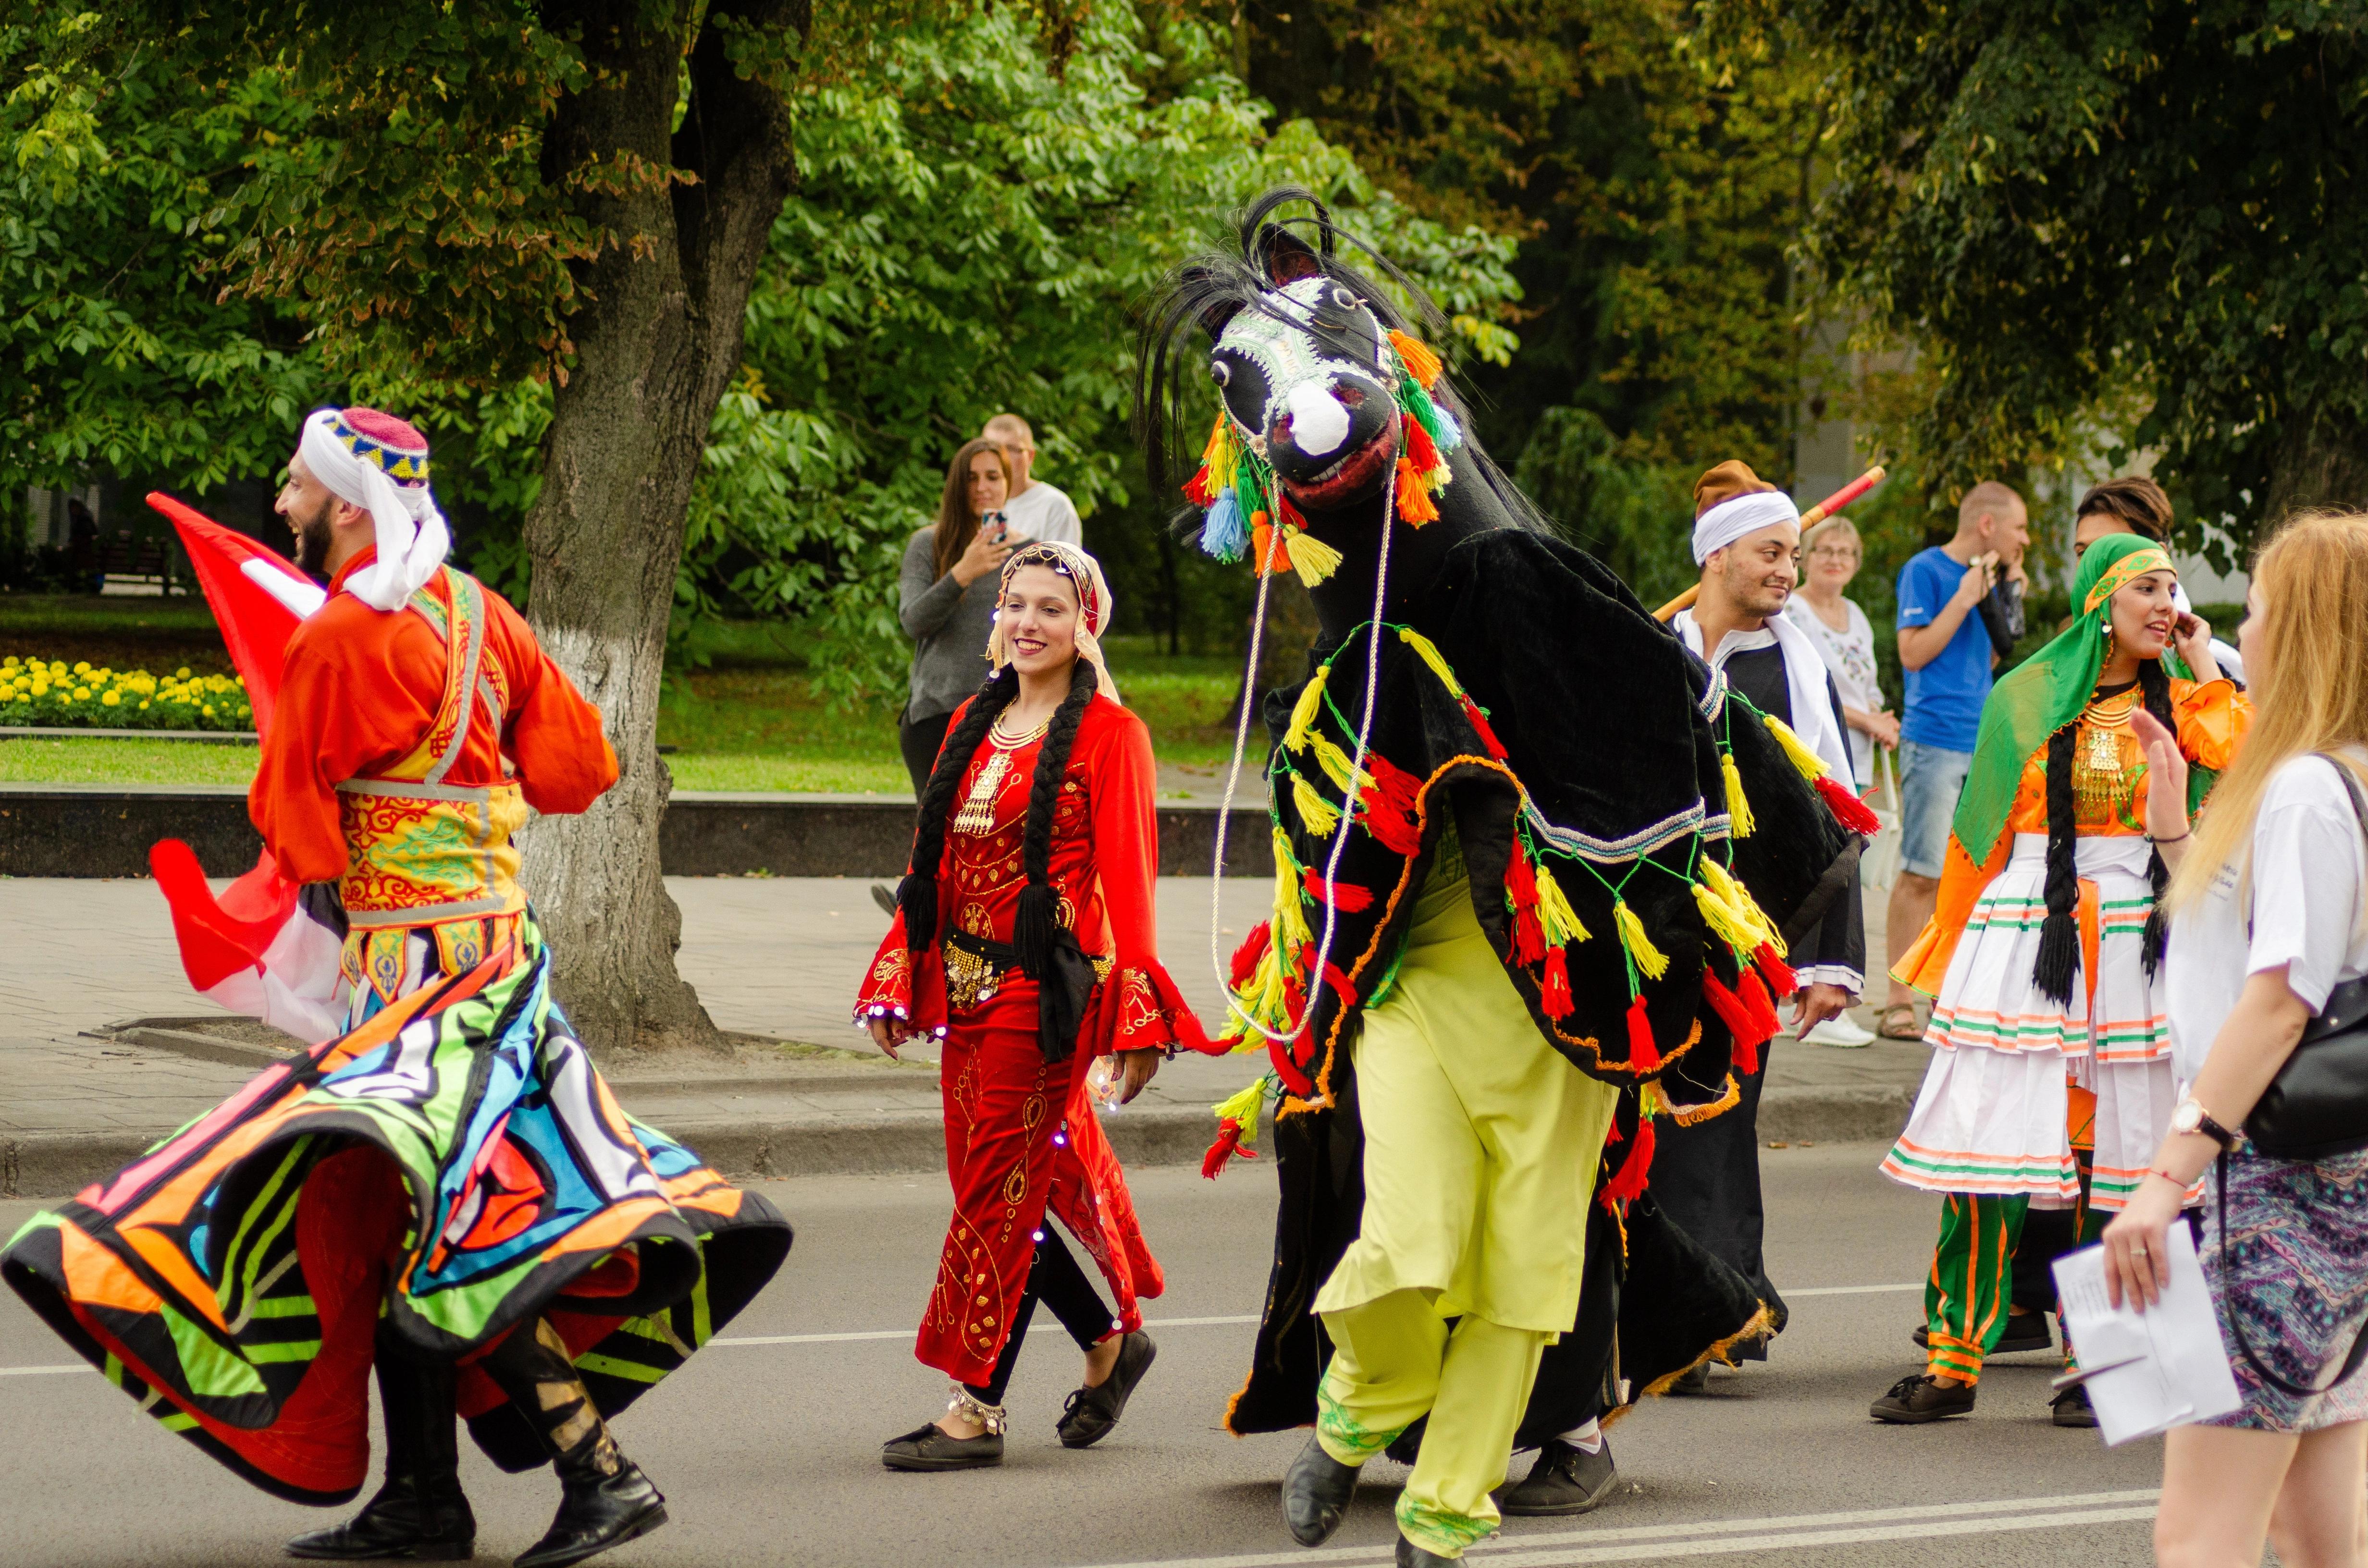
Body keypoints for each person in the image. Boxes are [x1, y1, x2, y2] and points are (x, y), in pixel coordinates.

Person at [1139, 191, 1859, 1566]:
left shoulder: (1519, 582)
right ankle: (1358, 1412)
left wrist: (1771, 915)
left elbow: (1684, 726)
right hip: (1415, 989)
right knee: (1400, 1225)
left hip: (1568, 1000)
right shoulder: (1348, 657)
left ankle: (1448, 1505)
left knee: (1529, 1264)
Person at [0, 407, 791, 1568]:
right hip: (498, 963)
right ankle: (426, 1499)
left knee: (455, 1232)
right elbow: (582, 771)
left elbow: (300, 835)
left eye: (295, 486)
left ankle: (603, 1477)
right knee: (394, 1217)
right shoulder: (481, 612)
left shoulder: (341, 641)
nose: (281, 506)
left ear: (346, 503)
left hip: (416, 984)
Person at [1872, 533, 2249, 1423]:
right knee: (1990, 1146)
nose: (2164, 601)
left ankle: (2108, 1361)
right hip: (2025, 935)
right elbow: (1979, 833)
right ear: (2097, 604)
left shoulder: (2186, 696)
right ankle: (1952, 1357)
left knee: (2118, 1154)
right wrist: (1948, 948)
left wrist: (2199, 653)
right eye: (2146, 587)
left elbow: (2237, 752)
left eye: (2173, 587)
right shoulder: (2025, 694)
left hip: (2138, 940)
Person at [857, 539, 1209, 1470]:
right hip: (965, 996)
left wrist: (1139, 1010)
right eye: (1015, 604)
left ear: (1084, 622)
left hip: (1038, 999)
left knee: (991, 1199)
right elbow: (929, 866)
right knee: (1004, 1193)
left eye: (1050, 608)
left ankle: (974, 1409)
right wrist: (901, 971)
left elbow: (1132, 884)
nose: (1026, 623)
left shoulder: (1111, 736)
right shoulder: (978, 719)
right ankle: (1107, 1342)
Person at [2102, 512, 2368, 1568]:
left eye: (2253, 610)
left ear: (2297, 631)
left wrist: (2165, 1177)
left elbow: (2278, 1000)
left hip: (2264, 1186)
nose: (2232, 629)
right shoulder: (2339, 772)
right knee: (2319, 1534)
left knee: (2200, 1535)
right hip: (2339, 1187)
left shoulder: (2308, 786)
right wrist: (2176, 831)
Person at [1659, 460, 1870, 1372]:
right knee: (1642, 1120)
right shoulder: (1648, 647)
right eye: (1769, 552)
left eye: (1791, 553)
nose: (1786, 570)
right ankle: (1655, 1304)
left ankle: (1713, 1308)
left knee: (1717, 1115)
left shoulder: (1797, 664)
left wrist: (1829, 961)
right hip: (1645, 926)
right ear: (1716, 557)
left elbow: (1835, 811)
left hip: (1748, 931)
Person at [1880, 481, 2032, 1041]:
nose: (2025, 539)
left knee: (1975, 876)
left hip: (1984, 739)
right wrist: (1964, 598)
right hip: (1934, 738)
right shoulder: (1926, 571)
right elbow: (1912, 653)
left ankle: (1950, 993)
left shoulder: (1992, 581)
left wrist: (2003, 598)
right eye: (2018, 527)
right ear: (1986, 525)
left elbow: (1992, 656)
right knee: (1923, 871)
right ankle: (1897, 997)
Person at [897, 438, 1020, 795]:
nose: (982, 487)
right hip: (939, 713)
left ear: (1008, 483)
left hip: (1009, 714)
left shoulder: (1030, 552)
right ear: (956, 484)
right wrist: (962, 572)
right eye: (971, 478)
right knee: (939, 836)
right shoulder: (929, 544)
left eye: (993, 477)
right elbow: (913, 622)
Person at [2071, 475, 2247, 685]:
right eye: (2083, 553)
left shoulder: (2216, 664)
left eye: (2110, 551)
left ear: (2159, 555)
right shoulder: (2056, 667)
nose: (2092, 567)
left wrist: (2203, 665)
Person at [984, 412, 1082, 547]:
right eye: (993, 448)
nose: (1001, 457)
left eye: (1011, 449)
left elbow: (1065, 566)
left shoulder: (1055, 506)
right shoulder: (976, 500)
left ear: (1030, 457)